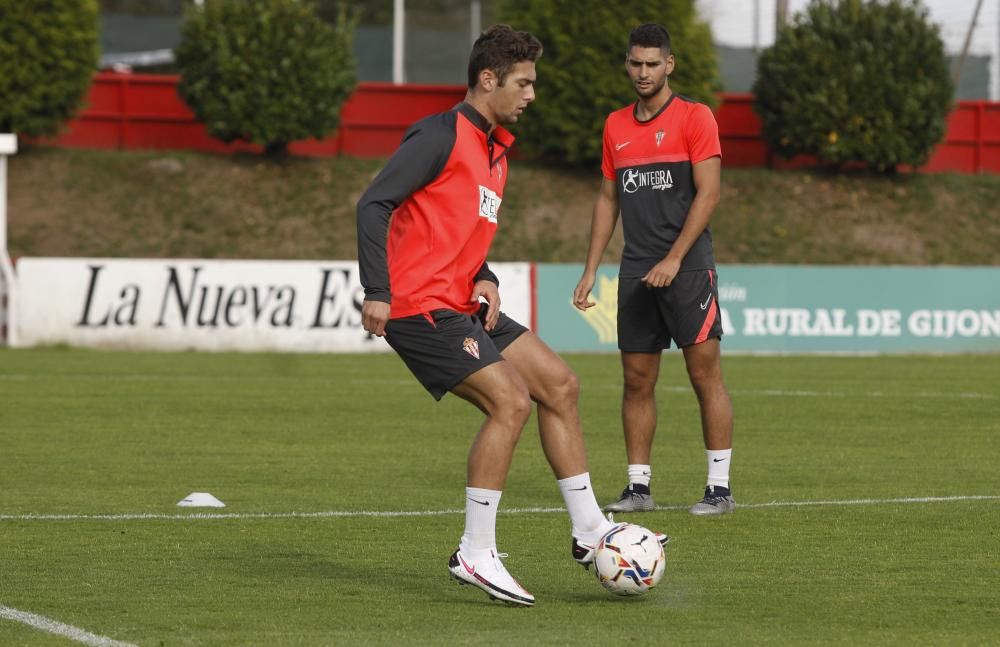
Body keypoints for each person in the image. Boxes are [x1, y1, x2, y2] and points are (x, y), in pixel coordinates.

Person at [357, 25, 665, 607]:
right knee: (511, 402)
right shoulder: (439, 134)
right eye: (523, 83)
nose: (531, 95)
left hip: (463, 300)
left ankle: (590, 529)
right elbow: (373, 203)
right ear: (488, 79)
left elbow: (460, 232)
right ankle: (475, 551)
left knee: (560, 384)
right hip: (420, 307)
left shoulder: (496, 150)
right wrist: (378, 289)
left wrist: (486, 275)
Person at [572, 23, 735, 516]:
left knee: (704, 375)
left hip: (687, 270)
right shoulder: (615, 125)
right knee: (636, 380)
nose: (643, 73)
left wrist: (674, 258)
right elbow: (608, 199)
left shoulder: (695, 117)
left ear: (670, 64)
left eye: (652, 64)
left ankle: (719, 490)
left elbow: (709, 194)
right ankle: (638, 488)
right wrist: (590, 269)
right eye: (635, 63)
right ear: (627, 64)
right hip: (635, 271)